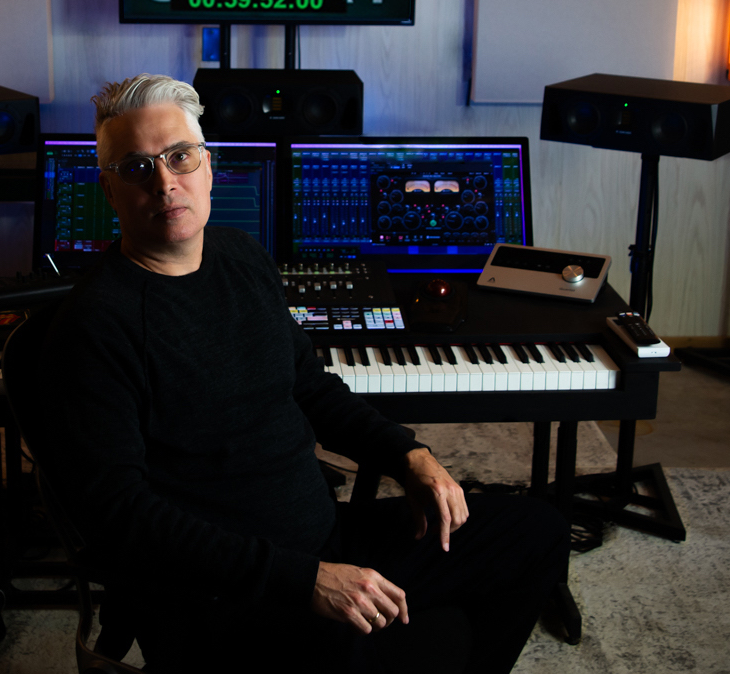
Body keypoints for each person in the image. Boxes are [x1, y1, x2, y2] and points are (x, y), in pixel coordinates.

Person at [34, 74, 569, 673]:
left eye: (179, 156)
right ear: (110, 191)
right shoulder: (95, 327)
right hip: (227, 589)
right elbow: (121, 518)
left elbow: (310, 385)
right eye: (136, 168)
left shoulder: (241, 257)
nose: (165, 182)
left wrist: (409, 456)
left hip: (323, 540)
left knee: (536, 532)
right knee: (428, 645)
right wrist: (304, 581)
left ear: (208, 167)